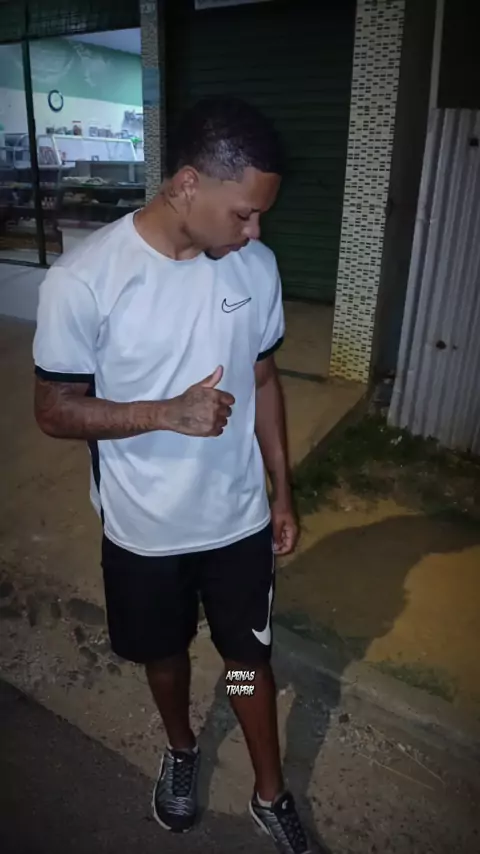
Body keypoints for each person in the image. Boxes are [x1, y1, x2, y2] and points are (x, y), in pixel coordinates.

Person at [33, 97, 311, 854]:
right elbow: (53, 410)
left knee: (247, 662)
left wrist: (282, 492)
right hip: (144, 530)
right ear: (188, 185)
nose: (255, 233)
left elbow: (263, 380)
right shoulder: (85, 280)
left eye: (260, 217)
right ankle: (182, 747)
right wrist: (165, 413)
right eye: (244, 214)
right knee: (165, 655)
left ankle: (270, 792)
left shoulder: (255, 267)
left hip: (238, 523)